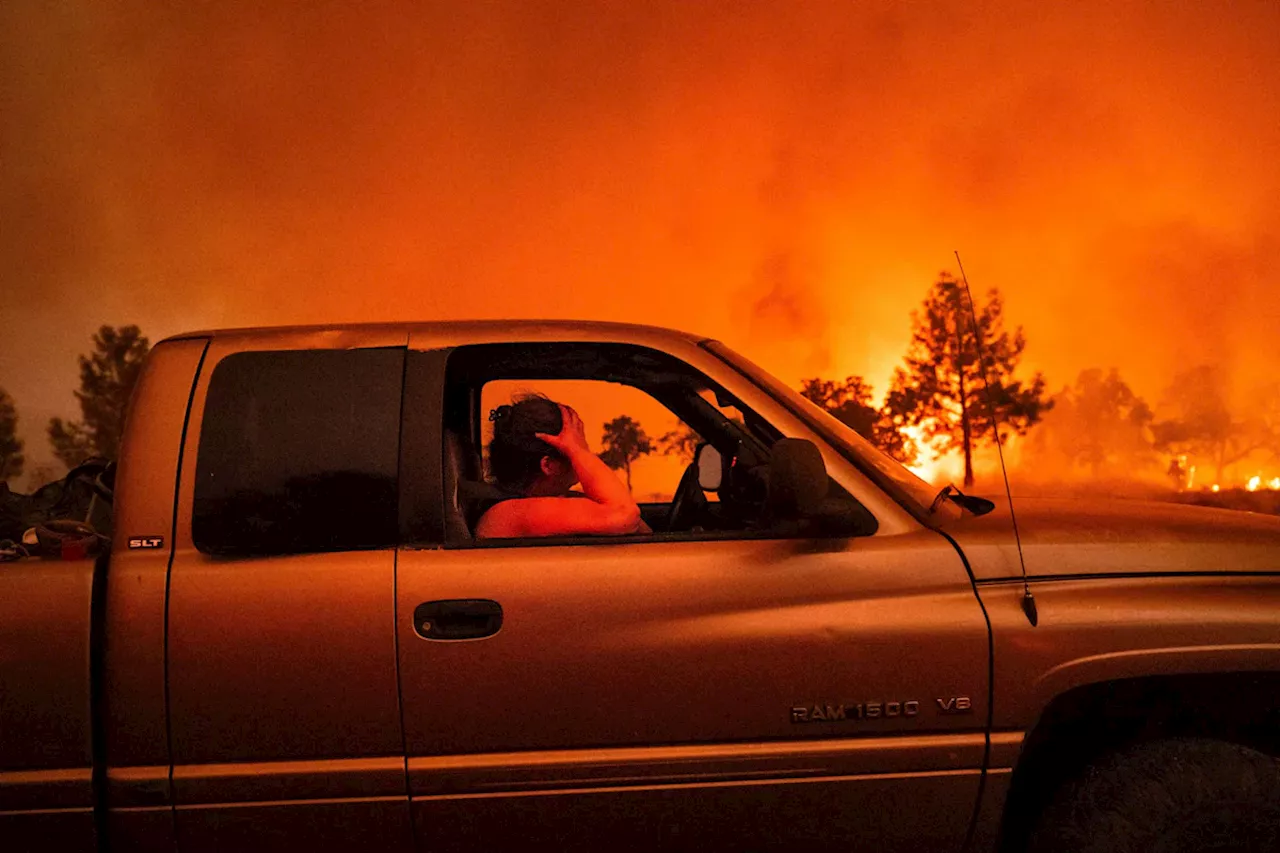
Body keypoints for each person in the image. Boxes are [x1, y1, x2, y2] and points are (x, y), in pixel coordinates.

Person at [474, 396, 648, 540]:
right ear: (549, 465)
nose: (586, 452)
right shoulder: (509, 514)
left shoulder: (545, 502)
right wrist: (577, 450)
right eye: (578, 444)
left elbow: (643, 532)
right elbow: (626, 514)